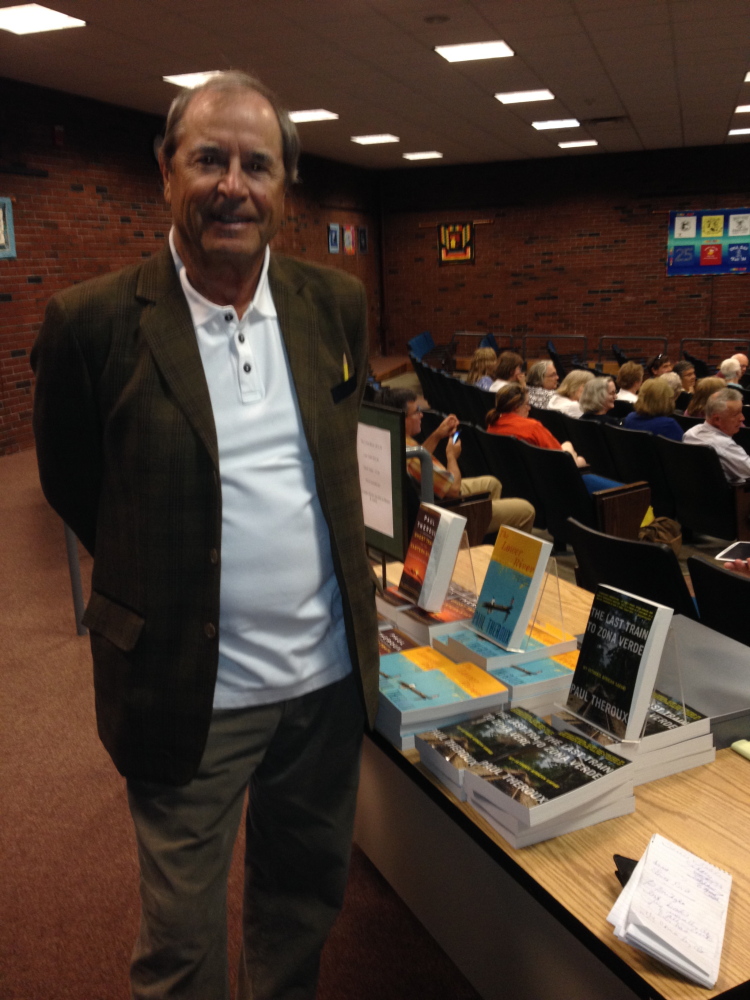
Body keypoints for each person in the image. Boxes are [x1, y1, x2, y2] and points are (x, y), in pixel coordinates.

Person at [31, 71, 379, 1000]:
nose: (234, 184)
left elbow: (335, 468)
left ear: (285, 186)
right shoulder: (93, 322)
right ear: (166, 175)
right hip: (187, 690)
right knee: (180, 945)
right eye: (209, 159)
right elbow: (72, 482)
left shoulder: (331, 305)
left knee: (301, 905)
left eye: (257, 164)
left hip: (325, 683)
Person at [376, 386, 535, 534]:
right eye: (417, 411)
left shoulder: (391, 438)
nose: (421, 415)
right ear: (402, 418)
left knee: (491, 483)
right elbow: (453, 490)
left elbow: (418, 460)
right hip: (442, 513)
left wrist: (438, 434)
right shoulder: (407, 450)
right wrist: (452, 457)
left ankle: (480, 537)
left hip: (431, 499)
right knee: (526, 510)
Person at [485, 384, 621, 492]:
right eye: (527, 404)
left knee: (570, 449)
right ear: (516, 406)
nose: (529, 408)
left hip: (520, 481)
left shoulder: (492, 425)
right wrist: (577, 462)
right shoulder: (530, 427)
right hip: (553, 482)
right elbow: (561, 459)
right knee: (628, 492)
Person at [683, 388, 750, 482]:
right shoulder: (725, 445)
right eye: (736, 414)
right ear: (717, 420)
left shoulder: (690, 433)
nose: (742, 418)